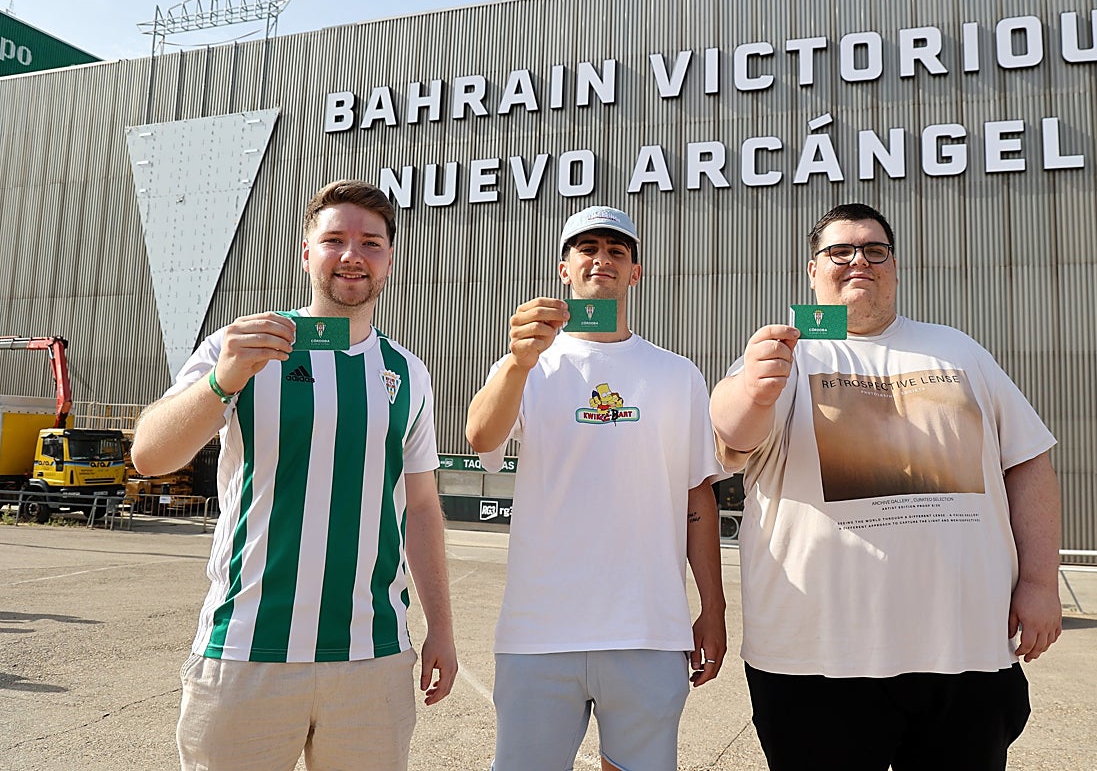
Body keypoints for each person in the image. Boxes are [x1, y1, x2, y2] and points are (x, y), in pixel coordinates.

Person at [709, 202, 1062, 771]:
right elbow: (729, 434)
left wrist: (1042, 584)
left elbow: (1028, 463)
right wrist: (754, 384)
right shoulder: (787, 356)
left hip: (963, 650)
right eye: (840, 251)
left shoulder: (959, 350)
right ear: (812, 270)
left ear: (894, 267)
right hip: (815, 657)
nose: (859, 261)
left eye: (875, 250)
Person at [131, 179, 457, 771]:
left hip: (373, 656)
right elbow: (151, 457)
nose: (352, 254)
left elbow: (423, 510)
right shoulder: (241, 345)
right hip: (245, 651)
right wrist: (221, 380)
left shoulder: (406, 374)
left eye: (371, 242)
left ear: (389, 260)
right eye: (334, 239)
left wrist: (441, 628)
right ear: (306, 252)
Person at [465, 205, 727, 771]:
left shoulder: (677, 373)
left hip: (647, 629)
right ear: (564, 268)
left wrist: (713, 608)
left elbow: (696, 497)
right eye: (587, 248)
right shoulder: (527, 364)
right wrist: (517, 361)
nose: (601, 259)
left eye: (616, 250)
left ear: (635, 272)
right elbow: (480, 436)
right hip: (539, 631)